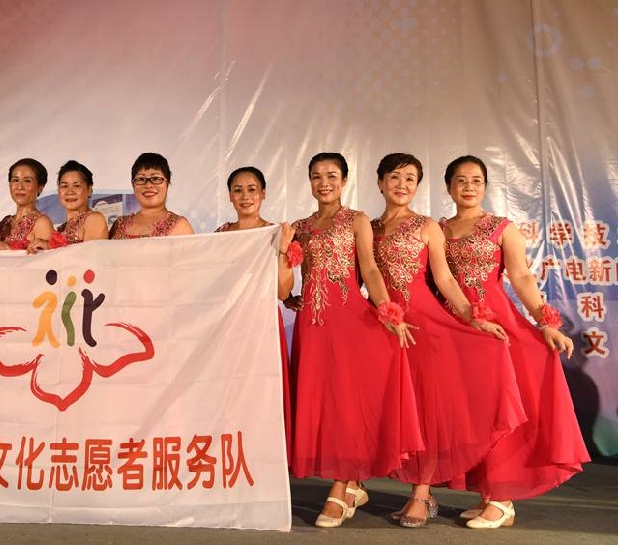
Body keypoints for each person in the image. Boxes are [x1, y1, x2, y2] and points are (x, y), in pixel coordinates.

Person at [370, 153, 527, 528]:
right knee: (398, 411)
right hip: (385, 328)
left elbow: (443, 280)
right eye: (395, 177)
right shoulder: (368, 227)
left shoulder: (427, 226)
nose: (402, 185)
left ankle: (424, 494)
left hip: (425, 325)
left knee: (429, 411)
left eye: (410, 179)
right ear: (379, 183)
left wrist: (474, 316)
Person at [441, 155, 589, 529]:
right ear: (449, 187)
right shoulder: (438, 230)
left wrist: (545, 322)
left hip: (495, 326)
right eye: (461, 180)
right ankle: (487, 493)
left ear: (485, 186)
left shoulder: (502, 228)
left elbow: (521, 276)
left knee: (499, 409)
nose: (469, 186)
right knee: (472, 411)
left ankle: (501, 499)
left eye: (476, 180)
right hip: (455, 327)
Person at [289, 152, 422, 528]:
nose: (324, 183)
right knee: (323, 404)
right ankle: (350, 486)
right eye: (317, 176)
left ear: (344, 181)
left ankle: (340, 486)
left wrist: (388, 311)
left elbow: (370, 269)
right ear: (309, 182)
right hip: (312, 326)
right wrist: (287, 296)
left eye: (332, 175)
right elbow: (284, 276)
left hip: (349, 321)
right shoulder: (299, 227)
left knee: (347, 404)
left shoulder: (357, 220)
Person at [216, 166, 296, 463]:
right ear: (229, 196)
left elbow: (283, 292)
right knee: (231, 393)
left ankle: (265, 462)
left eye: (252, 189)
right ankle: (234, 461)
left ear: (263, 193)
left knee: (264, 394)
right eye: (238, 190)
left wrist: (283, 251)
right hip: (229, 326)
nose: (245, 196)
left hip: (263, 325)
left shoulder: (277, 233)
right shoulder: (220, 235)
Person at [26, 160, 108, 252]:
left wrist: (50, 246)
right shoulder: (62, 229)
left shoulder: (94, 218)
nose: (70, 192)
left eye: (76, 186)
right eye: (64, 186)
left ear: (89, 190)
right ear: (58, 190)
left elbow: (91, 256)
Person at [109, 152, 194, 239]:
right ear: (133, 185)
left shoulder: (180, 226)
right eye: (141, 179)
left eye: (156, 178)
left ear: (167, 183)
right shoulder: (118, 224)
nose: (148, 185)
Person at [0, 158, 54, 253]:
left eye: (27, 181)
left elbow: (48, 259)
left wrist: (9, 249)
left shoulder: (41, 222)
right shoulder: (5, 222)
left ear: (40, 187)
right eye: (15, 180)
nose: (19, 187)